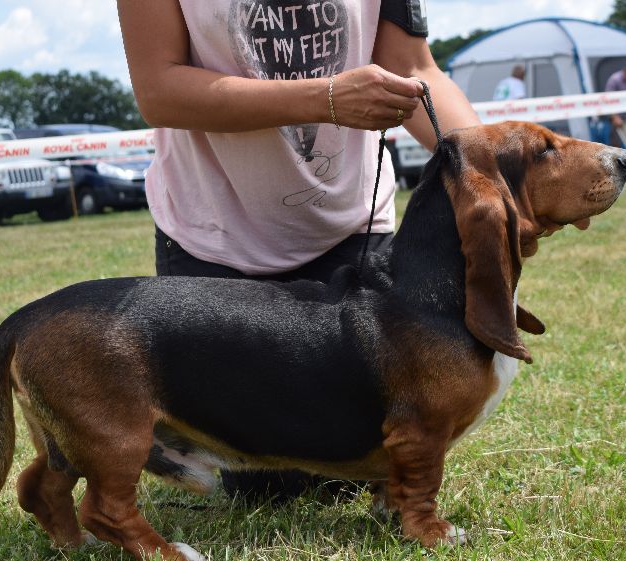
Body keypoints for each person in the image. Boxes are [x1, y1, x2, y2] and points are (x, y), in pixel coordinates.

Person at [117, 1, 480, 500]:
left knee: (347, 478)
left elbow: (414, 69)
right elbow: (159, 90)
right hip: (215, 244)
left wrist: (493, 178)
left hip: (351, 231)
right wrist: (325, 98)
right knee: (266, 492)